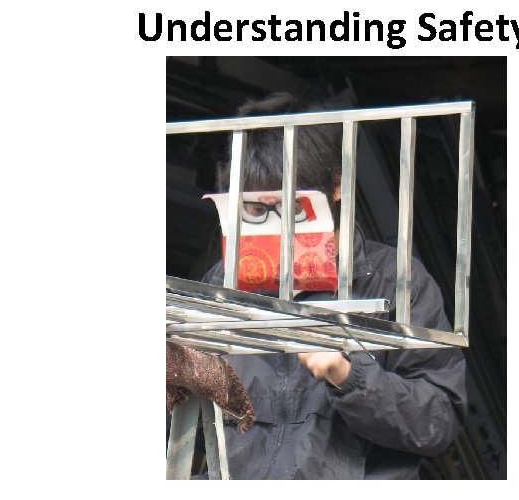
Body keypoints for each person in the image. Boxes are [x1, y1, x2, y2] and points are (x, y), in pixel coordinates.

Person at [200, 92, 467, 479]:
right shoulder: (222, 281)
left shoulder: (396, 280)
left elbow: (438, 422)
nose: (276, 226)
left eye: (292, 208)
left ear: (336, 186)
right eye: (255, 210)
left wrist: (349, 376)